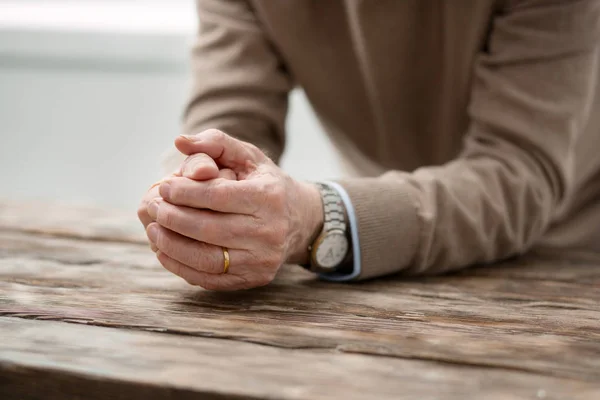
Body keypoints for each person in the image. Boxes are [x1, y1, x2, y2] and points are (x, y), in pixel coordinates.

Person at [138, 0, 600, 291]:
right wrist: (203, 186)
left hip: (570, 261)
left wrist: (318, 218)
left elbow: (518, 174)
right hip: (389, 258)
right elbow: (226, 121)